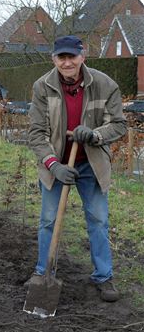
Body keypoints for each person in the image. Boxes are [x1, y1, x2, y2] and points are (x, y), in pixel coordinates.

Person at [27, 35, 127, 302]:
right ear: (54, 59)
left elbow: (119, 124)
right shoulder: (42, 87)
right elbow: (36, 133)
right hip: (56, 164)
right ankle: (42, 272)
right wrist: (53, 165)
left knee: (98, 220)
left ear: (83, 57)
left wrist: (93, 135)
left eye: (72, 56)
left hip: (90, 165)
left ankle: (103, 277)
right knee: (48, 220)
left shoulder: (105, 84)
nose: (67, 62)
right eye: (62, 57)